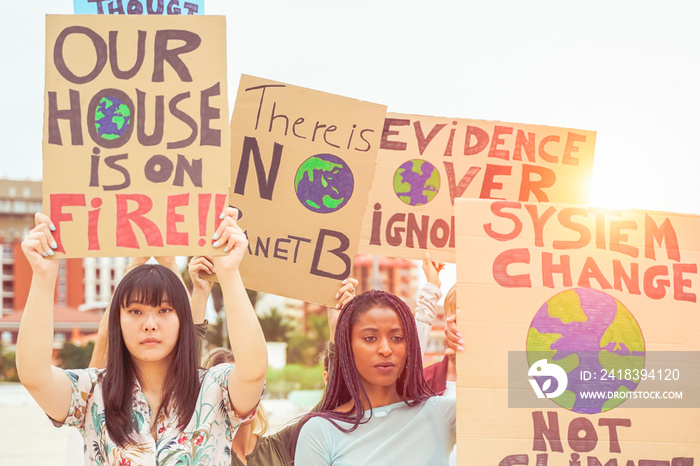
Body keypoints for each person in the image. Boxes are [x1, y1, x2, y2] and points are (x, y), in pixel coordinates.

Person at [16, 208, 267, 465]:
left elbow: (253, 371)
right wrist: (43, 276)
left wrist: (229, 273)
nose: (150, 324)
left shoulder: (215, 389)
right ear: (118, 321)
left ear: (184, 320)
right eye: (135, 311)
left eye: (164, 310)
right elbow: (35, 376)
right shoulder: (92, 392)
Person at [198, 279, 358, 466]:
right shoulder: (202, 456)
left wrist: (337, 327)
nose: (242, 392)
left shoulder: (280, 447)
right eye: (226, 387)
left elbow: (336, 402)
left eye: (249, 382)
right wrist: (200, 295)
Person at [292, 289, 456, 465]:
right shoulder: (319, 432)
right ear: (348, 346)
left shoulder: (442, 413)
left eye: (397, 338)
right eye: (370, 338)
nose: (385, 349)